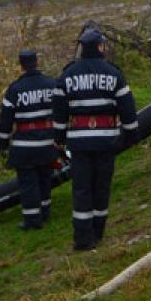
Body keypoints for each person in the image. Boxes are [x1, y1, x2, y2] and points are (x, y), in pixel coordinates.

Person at [52, 28, 138, 251]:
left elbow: (59, 112)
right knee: (101, 187)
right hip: (106, 141)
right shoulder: (113, 73)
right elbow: (127, 109)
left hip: (79, 143)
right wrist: (131, 136)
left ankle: (83, 238)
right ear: (100, 47)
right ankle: (98, 232)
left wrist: (58, 139)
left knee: (81, 189)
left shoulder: (67, 75)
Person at [0, 50, 59, 230]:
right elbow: (62, 111)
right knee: (45, 178)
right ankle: (45, 213)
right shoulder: (52, 84)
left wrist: (2, 145)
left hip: (24, 146)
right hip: (48, 143)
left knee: (28, 183)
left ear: (21, 66)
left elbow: (5, 122)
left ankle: (32, 220)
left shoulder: (14, 89)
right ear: (37, 62)